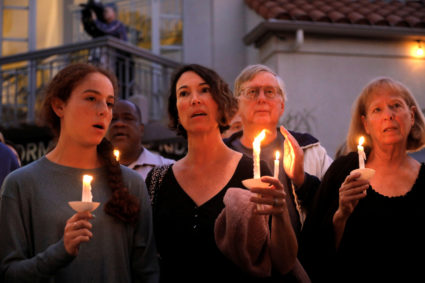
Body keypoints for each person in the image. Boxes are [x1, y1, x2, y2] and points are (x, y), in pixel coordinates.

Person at [0, 63, 159, 282]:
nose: (104, 110)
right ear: (59, 106)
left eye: (109, 103)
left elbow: (147, 271)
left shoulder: (131, 183)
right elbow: (9, 272)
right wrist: (60, 251)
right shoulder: (21, 184)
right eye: (91, 98)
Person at [145, 64, 297, 282]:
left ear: (221, 102)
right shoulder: (157, 181)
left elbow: (284, 263)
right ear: (176, 111)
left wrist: (281, 215)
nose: (195, 99)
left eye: (204, 90)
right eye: (184, 93)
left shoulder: (254, 172)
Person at [299, 77, 425, 282]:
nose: (389, 115)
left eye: (396, 105)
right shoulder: (344, 172)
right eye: (378, 109)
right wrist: (341, 215)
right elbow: (312, 250)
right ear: (365, 124)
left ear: (411, 116)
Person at [107, 99, 174, 180]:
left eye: (127, 118)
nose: (119, 124)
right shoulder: (92, 171)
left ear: (141, 129)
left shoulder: (169, 170)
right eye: (113, 119)